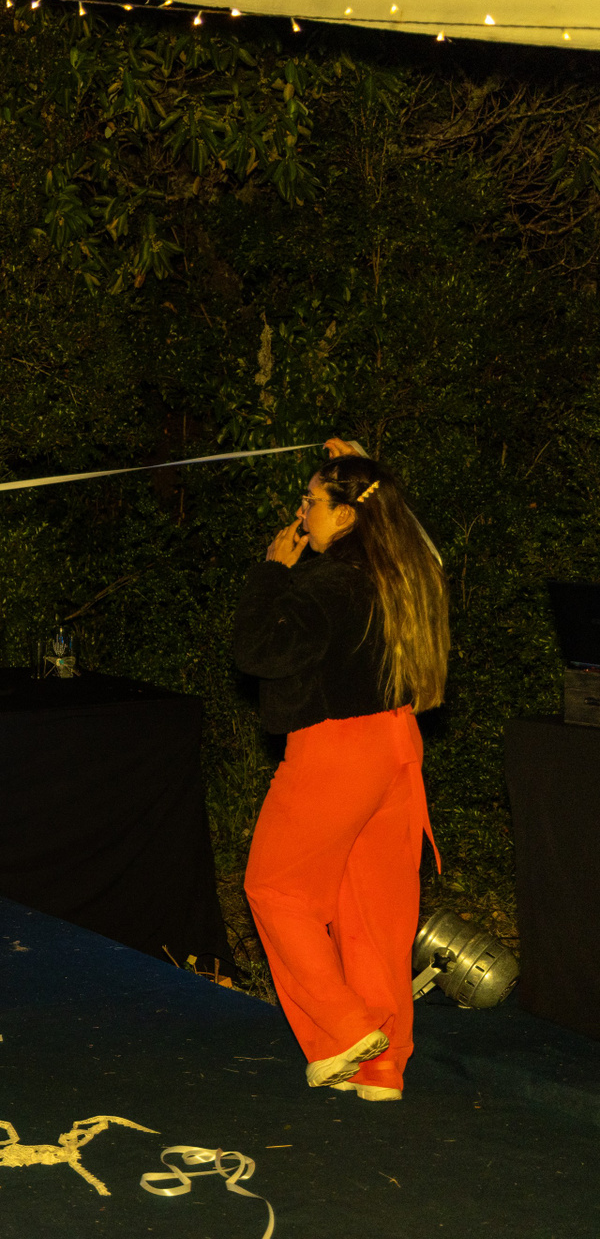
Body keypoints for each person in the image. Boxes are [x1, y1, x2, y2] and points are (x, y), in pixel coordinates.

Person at [235, 439, 448, 1103]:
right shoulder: (405, 573)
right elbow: (420, 542)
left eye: (312, 501)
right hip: (396, 745)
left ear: (348, 513)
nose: (302, 514)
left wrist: (272, 573)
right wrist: (369, 470)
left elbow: (257, 650)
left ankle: (348, 1029)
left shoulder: (329, 583)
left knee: (275, 889)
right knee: (374, 912)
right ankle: (381, 1070)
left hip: (337, 749)